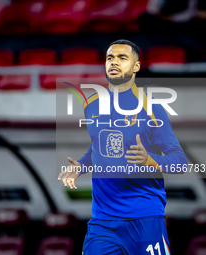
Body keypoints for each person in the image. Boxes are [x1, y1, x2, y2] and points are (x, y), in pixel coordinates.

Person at [58, 39, 187, 255]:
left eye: (122, 57)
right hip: (103, 222)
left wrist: (150, 160)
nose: (114, 62)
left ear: (136, 66)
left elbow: (180, 161)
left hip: (144, 219)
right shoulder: (92, 105)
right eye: (110, 58)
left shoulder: (152, 108)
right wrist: (81, 164)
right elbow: (99, 146)